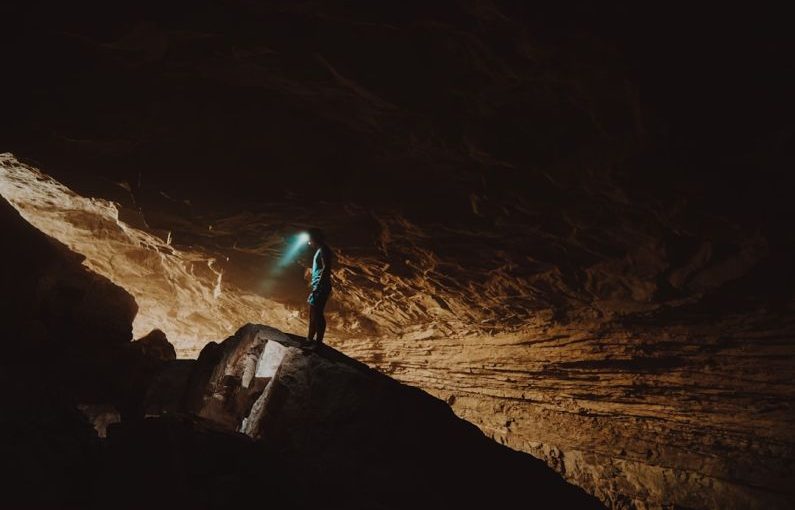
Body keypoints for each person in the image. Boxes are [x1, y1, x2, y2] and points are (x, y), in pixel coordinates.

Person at [306, 228, 333, 347]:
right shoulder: (320, 250)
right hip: (318, 286)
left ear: (314, 238)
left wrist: (319, 284)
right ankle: (309, 340)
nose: (308, 242)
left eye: (309, 240)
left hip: (321, 286)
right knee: (312, 313)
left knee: (317, 313)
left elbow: (327, 267)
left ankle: (318, 343)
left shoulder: (324, 250)